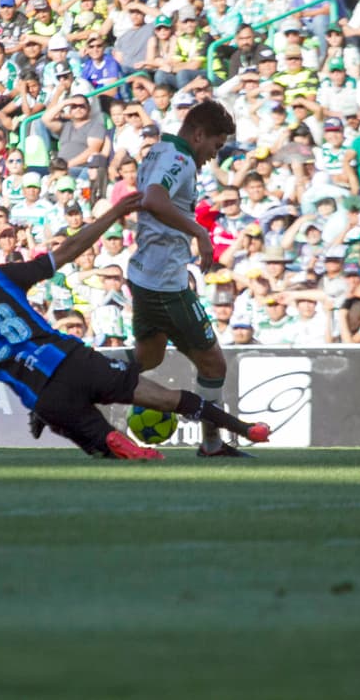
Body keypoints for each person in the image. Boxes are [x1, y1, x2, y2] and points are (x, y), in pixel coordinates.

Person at [0, 193, 270, 460]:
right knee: (167, 398)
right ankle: (244, 428)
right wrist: (111, 215)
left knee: (95, 440)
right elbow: (66, 253)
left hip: (43, 393)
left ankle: (112, 441)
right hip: (73, 360)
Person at [127, 99, 247, 457]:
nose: (215, 154)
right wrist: (201, 232)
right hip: (165, 283)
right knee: (213, 364)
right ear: (198, 135)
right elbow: (153, 199)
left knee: (147, 359)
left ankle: (79, 381)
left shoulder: (160, 149)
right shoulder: (177, 160)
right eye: (216, 144)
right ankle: (212, 445)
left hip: (147, 274)